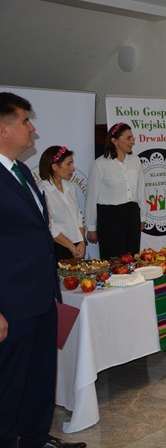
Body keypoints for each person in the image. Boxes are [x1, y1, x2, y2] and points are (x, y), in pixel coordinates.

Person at [0, 92, 87, 448]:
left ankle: (35, 439)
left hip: (41, 297)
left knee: (39, 377)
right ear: (3, 128)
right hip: (11, 304)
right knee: (8, 384)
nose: (32, 128)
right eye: (25, 121)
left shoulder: (21, 171)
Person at [86, 122, 145, 259]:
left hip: (132, 214)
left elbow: (141, 190)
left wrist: (142, 217)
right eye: (128, 138)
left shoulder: (135, 160)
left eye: (132, 138)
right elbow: (91, 198)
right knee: (112, 259)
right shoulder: (100, 164)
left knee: (132, 257)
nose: (133, 141)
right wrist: (91, 227)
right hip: (110, 217)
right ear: (114, 141)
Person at [38, 145, 86, 261]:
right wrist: (71, 246)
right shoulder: (41, 189)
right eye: (69, 164)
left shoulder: (70, 186)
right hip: (57, 247)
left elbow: (78, 216)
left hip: (77, 245)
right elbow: (49, 225)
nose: (72, 168)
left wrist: (82, 241)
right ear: (55, 167)